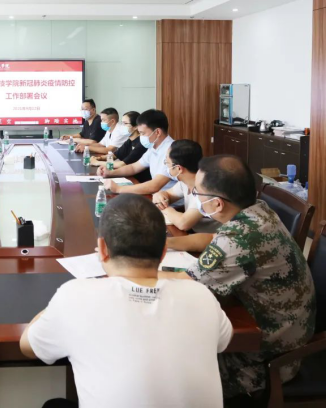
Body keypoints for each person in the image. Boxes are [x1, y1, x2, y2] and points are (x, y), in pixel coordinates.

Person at [20, 194, 233, 408]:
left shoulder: (74, 296)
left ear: (102, 249)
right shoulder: (201, 295)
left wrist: (57, 306)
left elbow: (28, 347)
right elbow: (223, 340)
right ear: (163, 252)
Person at [165, 155, 316, 401]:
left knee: (170, 366)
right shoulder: (258, 211)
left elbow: (184, 285)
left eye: (197, 192)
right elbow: (213, 240)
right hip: (283, 333)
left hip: (267, 360)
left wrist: (126, 269)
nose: (194, 195)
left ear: (217, 204)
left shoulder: (240, 238)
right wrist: (167, 243)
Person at [99, 109, 177, 195]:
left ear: (157, 132)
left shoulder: (171, 151)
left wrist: (119, 189)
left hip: (168, 200)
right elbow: (134, 167)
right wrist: (110, 173)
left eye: (142, 133)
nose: (141, 137)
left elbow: (154, 186)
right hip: (156, 196)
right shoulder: (153, 146)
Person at [152, 140, 221, 233]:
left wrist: (164, 208)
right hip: (195, 232)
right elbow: (168, 194)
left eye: (167, 163)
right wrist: (159, 195)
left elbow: (183, 223)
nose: (166, 166)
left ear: (178, 168)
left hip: (210, 237)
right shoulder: (185, 181)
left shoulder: (206, 188)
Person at [90, 111, 151, 183]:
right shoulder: (130, 140)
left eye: (125, 123)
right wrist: (99, 158)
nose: (122, 126)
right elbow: (115, 155)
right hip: (127, 175)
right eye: (122, 123)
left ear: (135, 127)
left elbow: (122, 164)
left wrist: (97, 162)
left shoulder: (142, 143)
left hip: (139, 180)